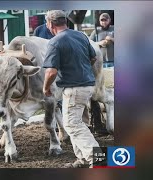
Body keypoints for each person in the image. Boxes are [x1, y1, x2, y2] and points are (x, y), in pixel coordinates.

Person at [42, 10, 100, 168]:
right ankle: (82, 159)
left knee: (72, 125)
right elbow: (93, 57)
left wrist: (46, 88)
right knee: (75, 122)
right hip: (87, 85)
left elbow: (51, 71)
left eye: (46, 22)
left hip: (74, 88)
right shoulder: (81, 35)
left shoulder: (55, 42)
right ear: (65, 21)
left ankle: (98, 159)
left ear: (51, 24)